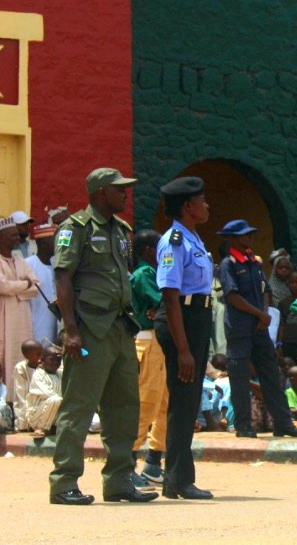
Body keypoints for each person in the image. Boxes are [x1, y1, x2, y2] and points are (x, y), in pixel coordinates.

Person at [48, 168, 155, 505]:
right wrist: (71, 331)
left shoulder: (121, 230)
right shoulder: (75, 228)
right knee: (78, 407)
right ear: (99, 193)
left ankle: (119, 481)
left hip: (121, 326)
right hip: (89, 329)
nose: (125, 194)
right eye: (118, 189)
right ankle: (64, 482)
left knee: (124, 407)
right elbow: (63, 279)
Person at [155, 176, 215, 500]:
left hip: (197, 318)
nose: (207, 206)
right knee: (183, 400)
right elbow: (170, 296)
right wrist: (183, 350)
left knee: (189, 401)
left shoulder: (193, 238)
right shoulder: (174, 241)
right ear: (188, 206)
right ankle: (177, 479)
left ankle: (177, 477)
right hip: (182, 321)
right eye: (202, 201)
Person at [217, 219, 297, 440]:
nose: (251, 238)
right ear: (233, 239)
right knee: (239, 376)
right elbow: (232, 296)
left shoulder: (254, 262)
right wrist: (259, 314)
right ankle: (243, 425)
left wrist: (264, 313)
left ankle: (283, 423)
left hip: (259, 327)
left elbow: (266, 290)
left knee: (271, 373)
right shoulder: (228, 264)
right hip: (239, 328)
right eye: (245, 235)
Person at [129, 228, 169, 487]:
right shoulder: (144, 274)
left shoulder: (155, 272)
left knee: (165, 403)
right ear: (149, 251)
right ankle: (128, 463)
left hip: (161, 339)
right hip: (148, 340)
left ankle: (154, 462)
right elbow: (162, 302)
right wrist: (162, 307)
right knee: (146, 403)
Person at [1, 215, 39, 397]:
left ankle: (18, 400)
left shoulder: (19, 259)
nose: (18, 238)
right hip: (4, 317)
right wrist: (25, 284)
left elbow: (36, 286)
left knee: (20, 356)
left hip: (22, 318)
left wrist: (15, 288)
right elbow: (3, 286)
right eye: (13, 236)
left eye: (18, 235)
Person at [25, 223, 58, 345]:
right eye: (54, 240)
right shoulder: (28, 264)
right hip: (36, 326)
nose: (58, 244)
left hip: (57, 325)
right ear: (41, 242)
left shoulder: (58, 265)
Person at [26, 345, 64, 434]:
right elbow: (49, 394)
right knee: (56, 399)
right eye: (52, 359)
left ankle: (53, 427)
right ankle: (42, 428)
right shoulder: (38, 375)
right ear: (42, 360)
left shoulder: (59, 374)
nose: (56, 362)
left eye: (58, 360)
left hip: (53, 415)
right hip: (37, 416)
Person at [14, 338, 42, 431]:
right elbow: (21, 395)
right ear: (27, 356)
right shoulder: (21, 368)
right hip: (28, 404)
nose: (41, 356)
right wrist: (23, 423)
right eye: (38, 354)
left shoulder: (45, 365)